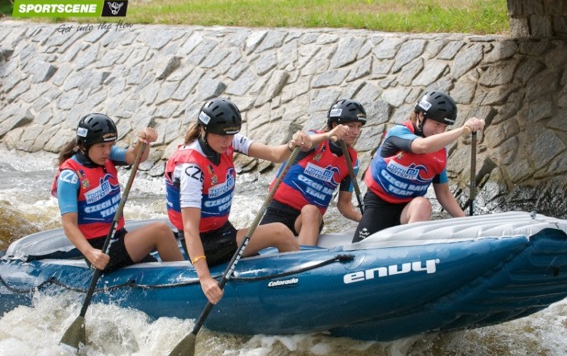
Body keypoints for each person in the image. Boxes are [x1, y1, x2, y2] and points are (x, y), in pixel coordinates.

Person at [165, 97, 309, 305]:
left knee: (261, 254)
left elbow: (275, 155)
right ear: (204, 130)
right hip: (203, 244)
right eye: (222, 136)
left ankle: (279, 295)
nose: (227, 141)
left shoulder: (230, 142)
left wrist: (292, 144)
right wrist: (205, 279)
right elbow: (189, 229)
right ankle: (305, 293)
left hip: (223, 231)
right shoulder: (192, 168)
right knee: (280, 232)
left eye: (231, 135)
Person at [52, 113, 184, 271]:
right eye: (102, 146)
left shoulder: (106, 155)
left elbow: (136, 157)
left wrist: (143, 142)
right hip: (100, 250)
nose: (107, 151)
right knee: (160, 231)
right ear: (84, 145)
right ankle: (190, 280)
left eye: (110, 145)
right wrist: (90, 253)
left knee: (154, 265)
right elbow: (69, 225)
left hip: (119, 236)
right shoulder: (69, 177)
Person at [352, 89, 485, 243]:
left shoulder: (440, 152)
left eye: (444, 126)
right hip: (379, 205)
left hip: (409, 209)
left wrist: (468, 224)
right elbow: (421, 146)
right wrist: (464, 130)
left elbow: (443, 193)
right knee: (359, 246)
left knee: (423, 204)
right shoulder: (398, 133)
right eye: (437, 124)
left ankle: (409, 252)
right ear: (421, 116)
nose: (440, 131)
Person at [260, 99, 366, 246]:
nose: (356, 132)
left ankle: (304, 260)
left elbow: (345, 204)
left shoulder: (352, 161)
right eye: (351, 126)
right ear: (335, 125)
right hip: (278, 211)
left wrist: (364, 218)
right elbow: (304, 141)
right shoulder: (315, 140)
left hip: (309, 221)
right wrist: (329, 135)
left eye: (359, 127)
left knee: (311, 210)